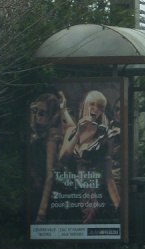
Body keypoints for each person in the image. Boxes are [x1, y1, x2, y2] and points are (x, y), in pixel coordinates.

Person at [60, 90, 120, 223]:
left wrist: (118, 206)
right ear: (84, 105)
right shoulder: (71, 131)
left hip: (95, 195)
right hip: (71, 195)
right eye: (92, 104)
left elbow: (108, 175)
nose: (95, 109)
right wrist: (78, 134)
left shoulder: (105, 134)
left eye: (100, 107)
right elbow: (61, 161)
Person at [28, 93, 63, 222]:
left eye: (42, 113)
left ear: (52, 115)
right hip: (33, 186)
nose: (37, 116)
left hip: (42, 192)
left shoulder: (51, 137)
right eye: (35, 111)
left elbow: (49, 176)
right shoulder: (39, 133)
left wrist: (41, 211)